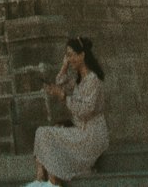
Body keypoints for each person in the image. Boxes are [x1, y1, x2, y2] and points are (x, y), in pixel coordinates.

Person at [29, 36, 108, 186]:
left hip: (91, 135)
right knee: (43, 133)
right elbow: (60, 81)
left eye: (71, 55)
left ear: (82, 55)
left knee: (45, 134)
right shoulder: (79, 80)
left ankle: (50, 182)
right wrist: (64, 66)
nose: (69, 58)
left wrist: (64, 97)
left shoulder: (93, 80)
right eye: (67, 55)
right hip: (80, 130)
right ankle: (41, 177)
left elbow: (85, 110)